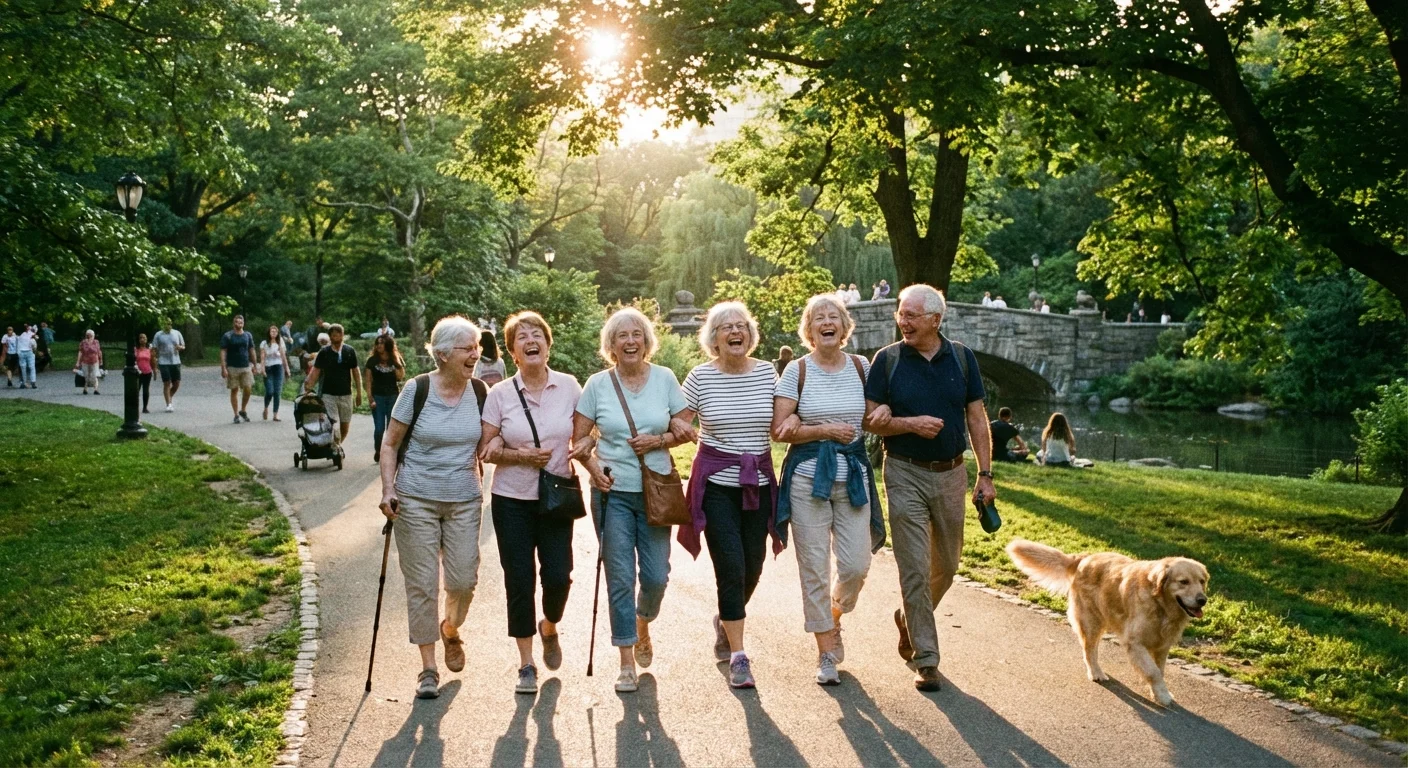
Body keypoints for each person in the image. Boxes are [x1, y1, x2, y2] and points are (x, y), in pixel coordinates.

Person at [864, 284, 995, 692]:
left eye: (912, 315)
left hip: (952, 473)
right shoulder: (886, 361)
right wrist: (908, 424)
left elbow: (976, 417)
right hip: (903, 470)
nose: (903, 321)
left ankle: (908, 617)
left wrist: (985, 474)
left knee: (948, 565)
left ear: (936, 319)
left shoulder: (962, 357)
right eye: (900, 314)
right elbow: (870, 419)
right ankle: (927, 657)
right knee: (915, 568)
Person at [571, 307, 690, 695]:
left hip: (657, 492)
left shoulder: (666, 379)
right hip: (614, 494)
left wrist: (659, 440)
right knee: (619, 577)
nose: (630, 340)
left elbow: (686, 426)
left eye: (637, 333)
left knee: (656, 576)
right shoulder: (597, 385)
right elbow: (580, 440)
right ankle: (625, 662)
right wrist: (592, 466)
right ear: (611, 345)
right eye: (621, 335)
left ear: (646, 341)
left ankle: (642, 622)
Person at [772, 294, 883, 687]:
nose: (826, 321)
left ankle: (834, 614)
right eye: (818, 317)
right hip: (807, 479)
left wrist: (882, 413)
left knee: (857, 563)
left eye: (833, 316)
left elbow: (870, 416)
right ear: (809, 329)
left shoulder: (861, 366)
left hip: (852, 475)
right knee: (814, 568)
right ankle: (825, 652)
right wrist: (821, 430)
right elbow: (780, 429)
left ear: (844, 325)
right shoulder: (796, 372)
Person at [377, 315, 487, 699]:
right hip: (415, 499)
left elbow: (492, 443)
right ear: (442, 355)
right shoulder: (417, 389)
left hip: (464, 500)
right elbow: (390, 444)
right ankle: (427, 668)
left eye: (477, 347)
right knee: (422, 584)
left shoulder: (481, 392)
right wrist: (389, 488)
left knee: (462, 581)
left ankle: (451, 630)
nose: (475, 354)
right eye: (467, 348)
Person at [479, 311, 583, 694]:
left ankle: (549, 626)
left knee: (559, 576)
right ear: (512, 352)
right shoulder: (500, 395)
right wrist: (518, 455)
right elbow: (486, 448)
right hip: (511, 499)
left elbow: (587, 435)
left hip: (556, 496)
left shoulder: (571, 386)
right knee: (519, 580)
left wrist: (593, 459)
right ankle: (526, 663)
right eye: (521, 336)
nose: (530, 339)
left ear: (547, 344)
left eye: (536, 333)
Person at [678, 301, 779, 690]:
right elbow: (679, 419)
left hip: (760, 485)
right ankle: (738, 656)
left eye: (741, 326)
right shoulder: (700, 378)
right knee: (731, 567)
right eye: (725, 327)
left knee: (753, 566)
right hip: (717, 486)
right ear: (714, 338)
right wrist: (677, 431)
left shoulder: (769, 373)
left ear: (749, 335)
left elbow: (785, 419)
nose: (735, 331)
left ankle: (725, 618)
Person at [303, 324, 363, 447]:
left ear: (342, 335)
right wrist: (308, 387)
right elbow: (315, 371)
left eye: (339, 334)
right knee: (334, 425)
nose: (337, 337)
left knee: (345, 427)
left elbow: (356, 373)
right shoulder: (324, 352)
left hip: (346, 394)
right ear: (330, 337)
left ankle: (336, 446)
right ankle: (335, 449)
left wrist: (359, 393)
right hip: (328, 394)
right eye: (334, 335)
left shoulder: (349, 351)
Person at [364, 334, 405, 462]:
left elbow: (400, 377)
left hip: (393, 396)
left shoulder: (395, 359)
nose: (379, 345)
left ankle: (392, 452)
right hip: (378, 397)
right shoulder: (372, 361)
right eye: (377, 343)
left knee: (391, 428)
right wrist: (370, 398)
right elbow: (368, 381)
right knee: (379, 428)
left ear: (388, 344)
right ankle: (378, 450)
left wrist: (396, 363)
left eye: (381, 343)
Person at [220, 315, 256, 424]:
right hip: (232, 367)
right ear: (233, 323)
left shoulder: (247, 335)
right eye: (237, 322)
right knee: (234, 390)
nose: (239, 324)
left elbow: (251, 350)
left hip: (245, 366)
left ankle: (243, 410)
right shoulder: (228, 336)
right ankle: (236, 414)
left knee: (248, 388)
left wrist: (255, 363)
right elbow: (223, 351)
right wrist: (223, 368)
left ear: (243, 323)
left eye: (241, 322)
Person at [152, 319, 185, 412]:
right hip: (163, 362)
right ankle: (169, 404)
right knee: (167, 382)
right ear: (163, 325)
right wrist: (154, 363)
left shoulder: (177, 333)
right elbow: (154, 349)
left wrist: (180, 347)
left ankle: (169, 395)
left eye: (170, 324)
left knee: (176, 383)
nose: (168, 325)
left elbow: (183, 346)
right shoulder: (158, 335)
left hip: (175, 361)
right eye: (166, 324)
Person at [258, 325, 289, 422]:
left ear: (278, 333)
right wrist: (262, 369)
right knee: (270, 391)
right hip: (268, 368)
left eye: (275, 331)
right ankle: (266, 408)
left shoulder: (280, 343)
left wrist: (287, 368)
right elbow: (262, 358)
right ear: (269, 332)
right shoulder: (264, 343)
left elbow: (283, 357)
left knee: (277, 392)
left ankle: (275, 414)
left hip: (278, 368)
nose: (274, 332)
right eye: (272, 331)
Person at [75, 330, 103, 395]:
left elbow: (99, 351)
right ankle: (85, 389)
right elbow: (80, 352)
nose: (91, 336)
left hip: (94, 362)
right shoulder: (83, 342)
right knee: (86, 376)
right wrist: (78, 362)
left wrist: (101, 360)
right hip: (85, 362)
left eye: (92, 335)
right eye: (89, 335)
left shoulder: (96, 342)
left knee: (94, 375)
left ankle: (96, 389)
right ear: (87, 335)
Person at [134, 333, 154, 411]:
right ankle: (135, 406)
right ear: (138, 340)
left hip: (147, 372)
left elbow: (152, 360)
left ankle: (145, 407)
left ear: (146, 339)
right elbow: (134, 359)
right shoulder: (136, 349)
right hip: (138, 372)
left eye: (144, 338)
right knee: (136, 390)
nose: (142, 339)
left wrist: (155, 371)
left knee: (146, 390)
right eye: (141, 338)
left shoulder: (149, 349)